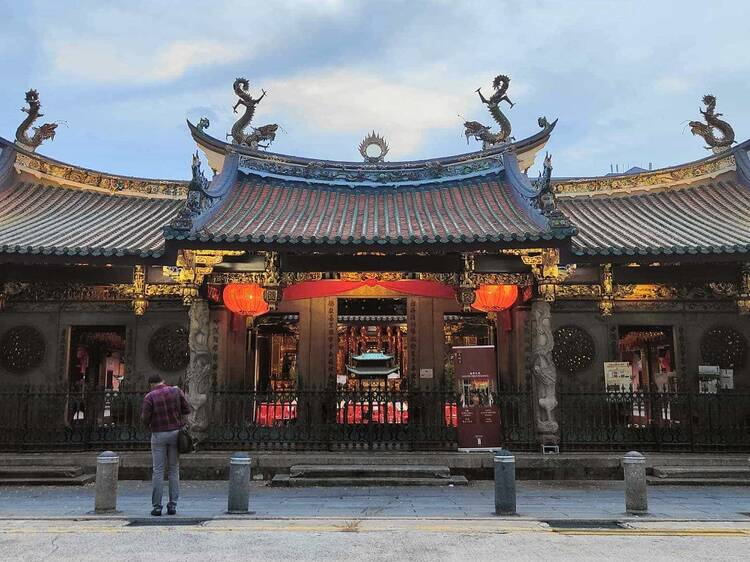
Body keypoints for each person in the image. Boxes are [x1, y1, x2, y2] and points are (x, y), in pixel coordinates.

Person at [141, 374, 191, 516]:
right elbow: (186, 410)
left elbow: (144, 418)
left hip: (158, 434)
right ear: (163, 381)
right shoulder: (176, 391)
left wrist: (151, 424)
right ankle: (172, 505)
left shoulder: (149, 397)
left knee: (158, 470)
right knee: (174, 470)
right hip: (175, 433)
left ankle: (157, 507)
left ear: (151, 384)